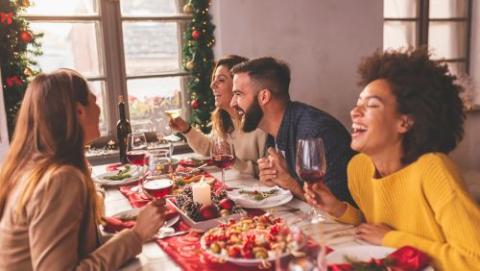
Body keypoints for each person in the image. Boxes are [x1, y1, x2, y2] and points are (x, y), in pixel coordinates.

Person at [304, 48, 480, 270]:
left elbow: (474, 259)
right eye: (359, 102)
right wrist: (338, 209)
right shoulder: (359, 168)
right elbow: (375, 227)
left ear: (404, 123)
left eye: (372, 105)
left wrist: (393, 240)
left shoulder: (434, 170)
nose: (354, 112)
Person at [0, 69, 166, 270]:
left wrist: (133, 236)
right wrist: (136, 235)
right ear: (79, 112)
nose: (99, 110)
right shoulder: (60, 179)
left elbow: (79, 250)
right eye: (94, 100)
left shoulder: (35, 167)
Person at [230, 57, 355, 203]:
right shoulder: (271, 130)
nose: (232, 103)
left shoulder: (316, 134)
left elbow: (338, 208)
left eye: (238, 94)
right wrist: (276, 181)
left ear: (264, 96)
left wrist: (290, 184)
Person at [169, 55, 267, 176]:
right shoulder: (223, 118)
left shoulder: (261, 126)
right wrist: (186, 129)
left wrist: (233, 160)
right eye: (214, 79)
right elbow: (210, 149)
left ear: (238, 85)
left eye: (221, 80)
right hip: (237, 188)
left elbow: (268, 175)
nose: (212, 85)